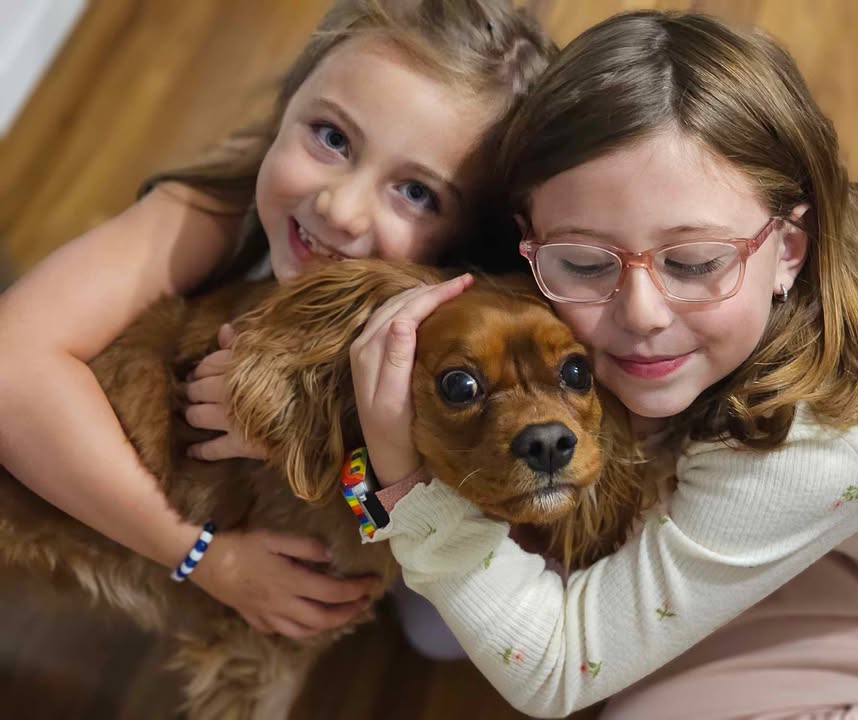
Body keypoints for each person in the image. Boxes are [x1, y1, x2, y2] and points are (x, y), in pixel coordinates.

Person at [349, 9, 858, 718]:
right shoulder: (769, 252)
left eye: (695, 262)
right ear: (530, 241)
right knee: (450, 627)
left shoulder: (816, 450)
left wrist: (397, 484)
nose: (641, 314)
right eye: (582, 261)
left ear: (789, 251)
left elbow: (554, 672)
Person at [0, 0, 553, 640]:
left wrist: (310, 441)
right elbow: (13, 364)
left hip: (406, 492)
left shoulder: (468, 319)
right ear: (286, 107)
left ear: (464, 240)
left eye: (416, 192)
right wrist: (201, 555)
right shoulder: (220, 205)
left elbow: (392, 507)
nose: (340, 208)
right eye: (333, 137)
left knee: (440, 633)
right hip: (222, 515)